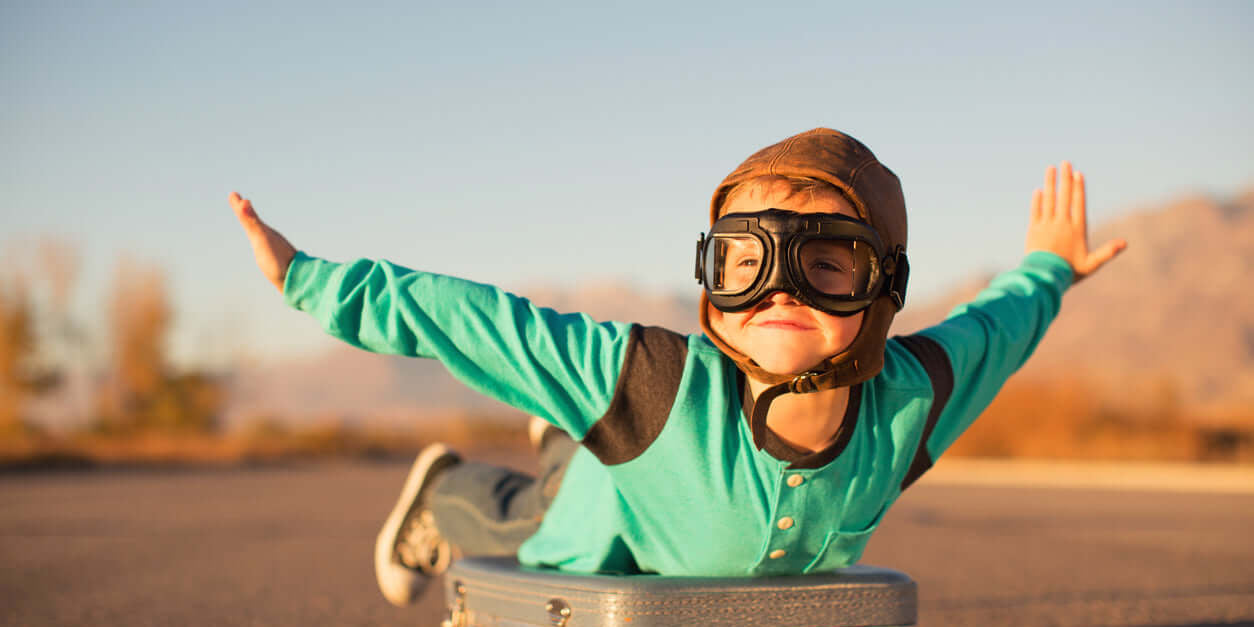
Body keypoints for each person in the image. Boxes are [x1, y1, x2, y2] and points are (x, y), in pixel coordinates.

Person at [230, 128, 1126, 607]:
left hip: (627, 447)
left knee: (583, 437)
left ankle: (565, 429)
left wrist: (1049, 270)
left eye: (827, 262)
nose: (780, 288)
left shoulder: (911, 400)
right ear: (712, 275)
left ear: (883, 284)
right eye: (747, 260)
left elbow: (995, 329)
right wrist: (314, 283)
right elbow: (480, 324)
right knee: (549, 534)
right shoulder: (650, 381)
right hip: (622, 497)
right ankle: (446, 490)